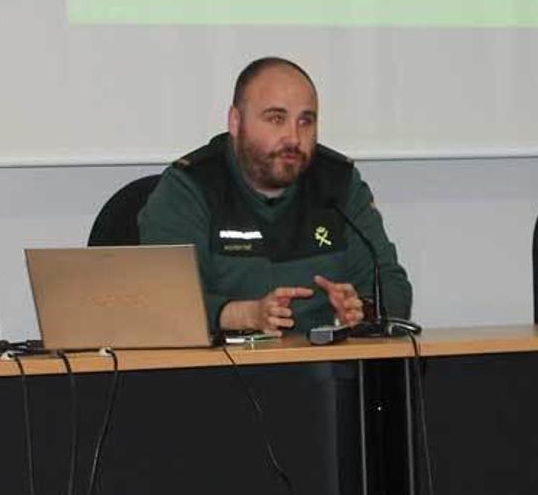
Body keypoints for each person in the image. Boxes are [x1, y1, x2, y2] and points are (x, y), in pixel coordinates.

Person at [138, 57, 412, 336]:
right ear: (235, 121)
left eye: (306, 121)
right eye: (276, 119)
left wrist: (361, 311)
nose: (293, 138)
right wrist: (244, 315)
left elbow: (392, 285)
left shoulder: (338, 183)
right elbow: (161, 302)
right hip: (221, 369)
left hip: (327, 367)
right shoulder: (191, 186)